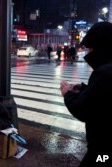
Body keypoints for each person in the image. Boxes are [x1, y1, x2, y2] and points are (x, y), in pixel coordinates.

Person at [60, 22, 112, 167]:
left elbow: (83, 109)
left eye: (92, 49)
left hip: (103, 151)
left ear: (102, 47)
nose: (89, 53)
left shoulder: (104, 73)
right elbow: (103, 97)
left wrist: (67, 93)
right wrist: (83, 89)